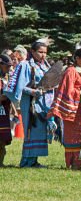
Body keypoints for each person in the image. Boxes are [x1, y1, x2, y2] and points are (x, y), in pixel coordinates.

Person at [3, 38, 54, 167]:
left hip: (43, 103)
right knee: (31, 130)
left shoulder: (45, 65)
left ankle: (34, 160)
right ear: (32, 51)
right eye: (40, 52)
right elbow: (18, 87)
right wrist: (32, 92)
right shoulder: (25, 65)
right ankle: (27, 161)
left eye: (45, 52)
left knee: (39, 131)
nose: (43, 55)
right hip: (30, 103)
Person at [0, 54, 14, 165]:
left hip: (4, 112)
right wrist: (6, 96)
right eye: (7, 66)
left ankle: (1, 162)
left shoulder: (6, 77)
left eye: (10, 66)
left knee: (3, 138)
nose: (9, 68)